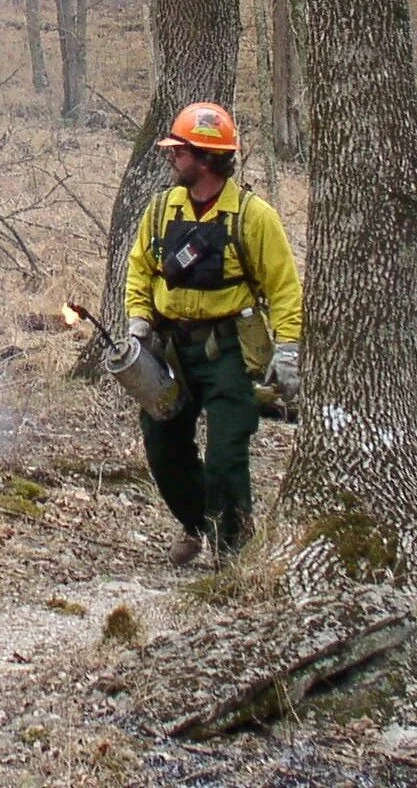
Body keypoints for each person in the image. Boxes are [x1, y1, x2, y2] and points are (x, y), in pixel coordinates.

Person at [124, 102, 303, 566]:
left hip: (228, 350)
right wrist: (138, 320)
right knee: (163, 448)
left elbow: (284, 288)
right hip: (171, 351)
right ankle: (195, 524)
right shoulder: (163, 208)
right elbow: (140, 268)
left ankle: (232, 548)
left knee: (226, 454)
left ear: (204, 156)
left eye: (178, 150)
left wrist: (288, 350)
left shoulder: (253, 216)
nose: (170, 157)